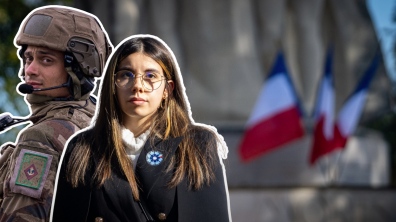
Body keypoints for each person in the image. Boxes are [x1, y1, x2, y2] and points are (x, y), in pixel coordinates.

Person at [52, 35, 231, 222]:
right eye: (125, 75)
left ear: (167, 90)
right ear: (113, 85)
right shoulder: (82, 149)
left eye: (150, 76)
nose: (138, 86)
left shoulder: (197, 145)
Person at [0, 6, 113, 222]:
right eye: (28, 58)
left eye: (46, 60)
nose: (29, 70)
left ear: (78, 70)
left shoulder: (42, 137)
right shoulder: (97, 119)